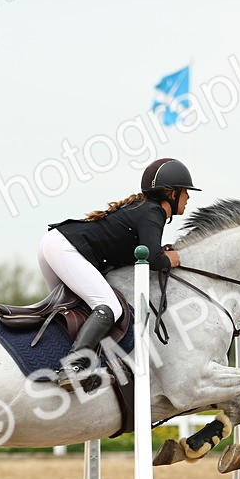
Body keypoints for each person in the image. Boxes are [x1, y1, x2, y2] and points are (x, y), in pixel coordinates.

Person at [40, 157, 200, 390]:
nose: (189, 198)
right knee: (110, 306)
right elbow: (154, 260)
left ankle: (53, 360)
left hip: (56, 244)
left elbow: (143, 252)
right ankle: (73, 367)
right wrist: (169, 260)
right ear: (172, 194)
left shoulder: (145, 209)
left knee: (75, 311)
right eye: (186, 192)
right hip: (65, 248)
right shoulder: (152, 212)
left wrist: (161, 254)